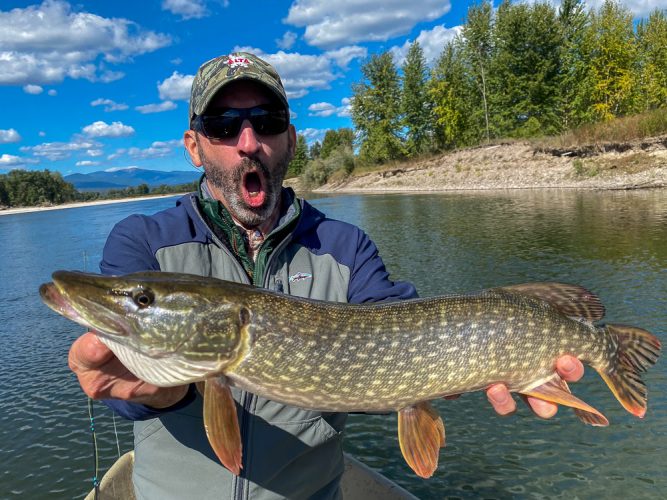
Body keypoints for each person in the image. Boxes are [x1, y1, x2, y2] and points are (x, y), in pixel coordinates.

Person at [68, 52, 584, 499]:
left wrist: (457, 364)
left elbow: (396, 338)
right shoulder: (142, 243)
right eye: (224, 125)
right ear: (194, 145)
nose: (248, 142)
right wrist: (158, 392)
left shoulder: (345, 247)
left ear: (290, 138)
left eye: (267, 121)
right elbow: (129, 392)